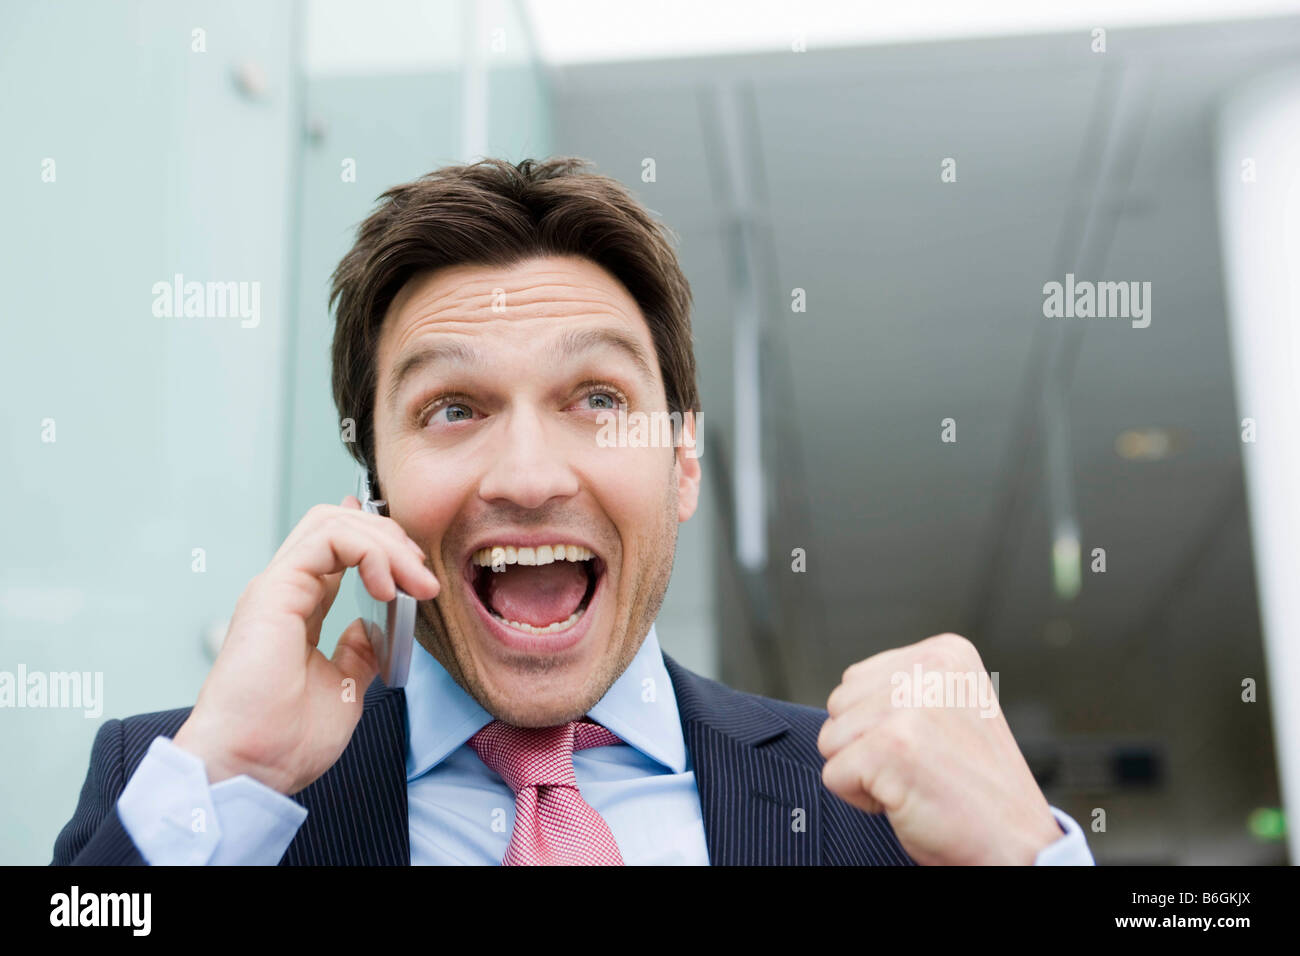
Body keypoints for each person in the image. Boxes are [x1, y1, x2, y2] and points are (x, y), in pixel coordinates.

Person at [53, 157, 1093, 865]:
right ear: (371, 490)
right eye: (452, 407)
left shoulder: (878, 813)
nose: (528, 472)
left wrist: (1033, 857)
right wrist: (227, 776)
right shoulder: (182, 788)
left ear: (683, 464)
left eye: (596, 400)